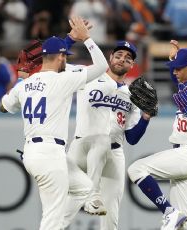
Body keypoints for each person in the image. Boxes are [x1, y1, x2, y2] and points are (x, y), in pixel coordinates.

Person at [0, 16, 108, 230]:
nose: (66, 59)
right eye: (65, 56)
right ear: (60, 58)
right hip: (49, 153)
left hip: (35, 151)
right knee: (52, 218)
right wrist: (86, 39)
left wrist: (21, 79)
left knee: (84, 187)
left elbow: (3, 107)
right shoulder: (63, 79)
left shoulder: (25, 84)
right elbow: (102, 66)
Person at [127, 40, 187, 230]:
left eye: (178, 68)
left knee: (136, 169)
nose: (174, 72)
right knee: (183, 226)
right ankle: (174, 215)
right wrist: (174, 58)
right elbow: (176, 78)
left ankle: (169, 212)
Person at [63, 41, 152, 230]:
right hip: (83, 147)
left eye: (128, 58)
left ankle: (93, 198)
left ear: (132, 66)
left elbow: (132, 138)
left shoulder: (132, 95)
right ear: (110, 58)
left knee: (111, 213)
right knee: (66, 207)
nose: (122, 60)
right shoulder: (89, 75)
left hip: (114, 153)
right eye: (119, 55)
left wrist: (146, 117)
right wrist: (73, 39)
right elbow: (57, 63)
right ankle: (90, 197)